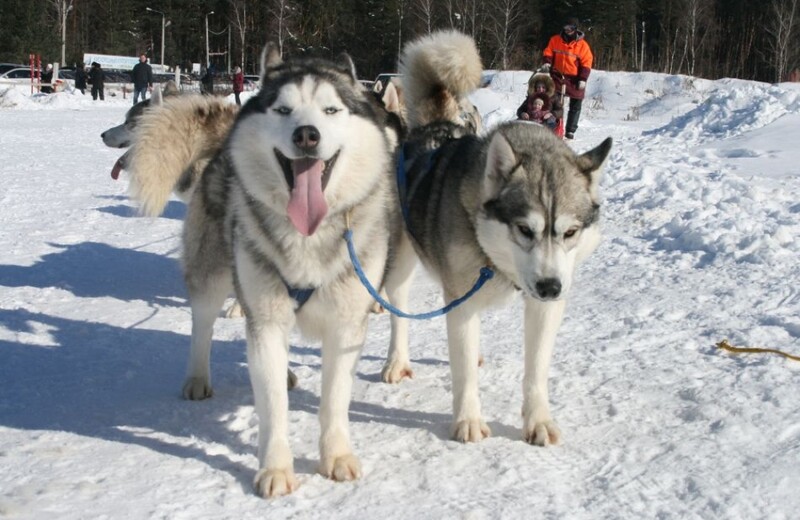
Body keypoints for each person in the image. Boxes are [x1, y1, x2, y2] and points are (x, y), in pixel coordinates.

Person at [542, 17, 593, 139]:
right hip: (557, 75)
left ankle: (570, 130)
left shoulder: (583, 46)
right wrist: (547, 62)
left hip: (575, 79)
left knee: (576, 104)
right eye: (565, 28)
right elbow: (548, 52)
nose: (567, 31)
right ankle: (553, 126)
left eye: (570, 28)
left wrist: (583, 79)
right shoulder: (555, 40)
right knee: (554, 102)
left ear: (575, 29)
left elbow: (587, 63)